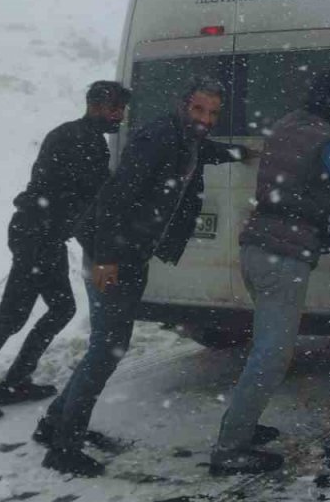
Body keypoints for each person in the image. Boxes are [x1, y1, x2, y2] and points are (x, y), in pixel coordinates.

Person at [37, 79, 252, 477]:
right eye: (199, 110)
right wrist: (106, 258)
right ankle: (63, 446)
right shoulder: (158, 138)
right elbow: (116, 197)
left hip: (129, 253)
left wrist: (244, 151)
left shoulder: (187, 138)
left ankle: (54, 423)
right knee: (108, 348)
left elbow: (209, 150)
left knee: (108, 345)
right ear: (182, 105)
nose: (205, 119)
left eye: (212, 113)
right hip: (112, 253)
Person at [0, 81, 131, 422]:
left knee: (61, 308)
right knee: (12, 316)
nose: (119, 116)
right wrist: (102, 252)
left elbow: (82, 199)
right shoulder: (82, 141)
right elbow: (85, 201)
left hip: (42, 233)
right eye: (115, 108)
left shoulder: (80, 137)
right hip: (36, 234)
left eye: (121, 109)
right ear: (96, 105)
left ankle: (15, 382)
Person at [209, 74, 330, 476]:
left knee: (264, 344)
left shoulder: (286, 124)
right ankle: (230, 448)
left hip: (256, 245)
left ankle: (240, 424)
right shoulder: (329, 140)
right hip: (284, 255)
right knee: (273, 355)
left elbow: (291, 182)